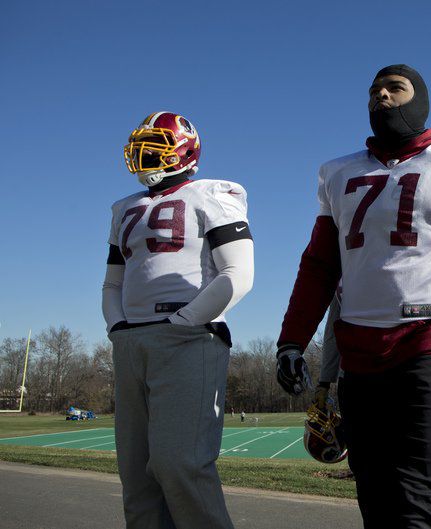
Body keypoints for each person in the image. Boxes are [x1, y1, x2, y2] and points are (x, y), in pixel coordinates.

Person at [275, 64, 431, 528]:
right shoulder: (337, 172)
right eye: (375, 90)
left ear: (420, 99)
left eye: (395, 88)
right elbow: (318, 265)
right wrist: (291, 339)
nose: (382, 97)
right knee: (374, 495)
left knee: (413, 495)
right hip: (359, 347)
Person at [103, 111, 254, 529]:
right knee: (136, 477)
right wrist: (117, 328)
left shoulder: (212, 193)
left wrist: (185, 322)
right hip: (132, 343)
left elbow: (237, 274)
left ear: (184, 149)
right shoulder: (124, 208)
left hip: (189, 340)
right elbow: (112, 283)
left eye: (155, 147)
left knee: (179, 465)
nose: (145, 155)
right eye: (141, 147)